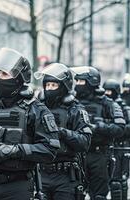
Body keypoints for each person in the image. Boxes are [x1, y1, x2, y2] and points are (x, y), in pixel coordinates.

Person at [0, 47, 60, 200]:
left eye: (5, 73)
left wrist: (15, 150)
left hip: (17, 188)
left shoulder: (36, 110)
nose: (0, 78)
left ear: (18, 78)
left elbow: (50, 149)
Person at [35, 63, 92, 200]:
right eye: (47, 85)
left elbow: (84, 142)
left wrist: (62, 132)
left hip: (66, 176)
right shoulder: (37, 108)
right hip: (40, 173)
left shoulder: (76, 109)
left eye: (53, 85)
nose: (49, 89)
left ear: (64, 86)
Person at [72, 66, 125, 200]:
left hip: (99, 154)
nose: (78, 85)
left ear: (92, 83)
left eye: (81, 82)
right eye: (76, 82)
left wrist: (98, 127)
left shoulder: (108, 103)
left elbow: (120, 128)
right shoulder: (72, 103)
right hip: (76, 155)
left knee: (99, 195)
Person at [103, 79, 130, 200]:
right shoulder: (100, 106)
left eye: (110, 91)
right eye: (106, 90)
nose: (107, 93)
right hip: (103, 148)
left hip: (119, 147)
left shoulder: (124, 107)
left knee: (117, 181)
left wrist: (117, 130)